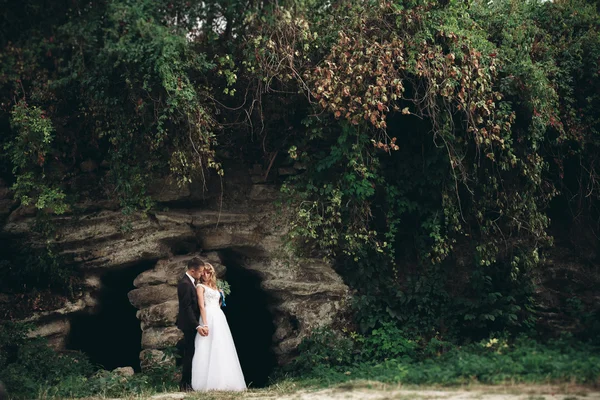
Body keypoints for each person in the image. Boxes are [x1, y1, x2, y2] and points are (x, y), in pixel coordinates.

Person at [191, 263, 246, 391]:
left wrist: (221, 296)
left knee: (221, 345)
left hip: (219, 316)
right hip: (208, 316)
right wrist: (204, 324)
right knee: (207, 345)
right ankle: (207, 382)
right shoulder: (200, 286)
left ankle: (225, 380)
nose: (205, 274)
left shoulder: (216, 287)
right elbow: (201, 306)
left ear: (212, 273)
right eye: (203, 272)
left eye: (208, 272)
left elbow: (219, 305)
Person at [176, 257, 209, 392]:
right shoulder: (184, 284)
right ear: (192, 270)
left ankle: (190, 382)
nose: (202, 274)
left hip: (194, 323)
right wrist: (197, 325)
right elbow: (187, 308)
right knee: (189, 353)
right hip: (189, 325)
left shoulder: (192, 282)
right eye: (200, 271)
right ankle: (185, 384)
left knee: (193, 352)